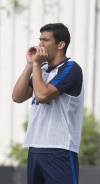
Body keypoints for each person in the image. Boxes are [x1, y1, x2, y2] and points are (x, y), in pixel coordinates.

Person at [12, 23, 84, 184]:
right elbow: (17, 96)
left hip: (60, 150)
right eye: (39, 40)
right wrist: (30, 64)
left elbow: (43, 94)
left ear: (60, 44)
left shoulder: (71, 68)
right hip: (35, 148)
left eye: (45, 40)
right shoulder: (41, 69)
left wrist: (37, 65)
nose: (40, 45)